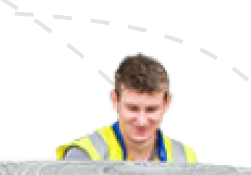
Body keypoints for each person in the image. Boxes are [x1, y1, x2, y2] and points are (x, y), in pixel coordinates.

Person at [53, 51, 202, 164]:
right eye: (133, 108)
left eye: (151, 109)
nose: (142, 121)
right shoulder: (85, 155)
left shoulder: (187, 158)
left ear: (168, 104)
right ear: (114, 101)